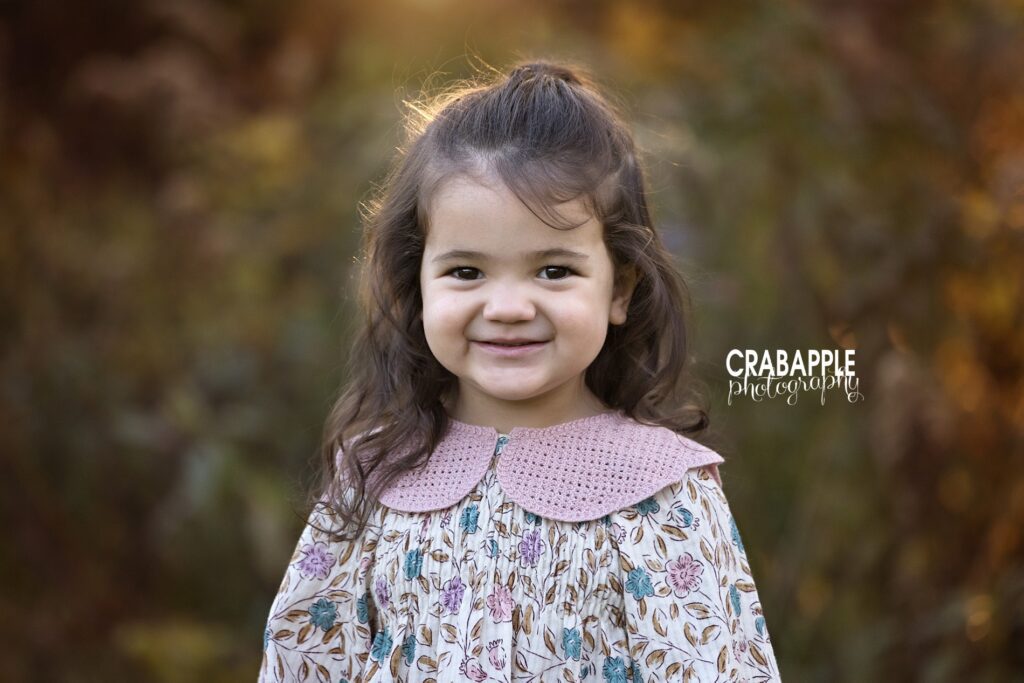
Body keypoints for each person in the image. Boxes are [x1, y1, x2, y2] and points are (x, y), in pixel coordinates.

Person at [259, 59, 781, 682]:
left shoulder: (663, 493)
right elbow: (302, 664)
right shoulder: (373, 476)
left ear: (619, 289)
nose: (507, 308)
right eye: (466, 272)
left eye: (554, 270)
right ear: (418, 285)